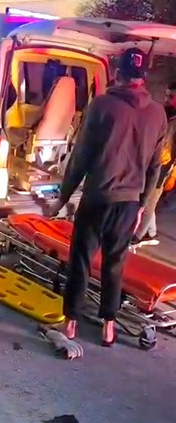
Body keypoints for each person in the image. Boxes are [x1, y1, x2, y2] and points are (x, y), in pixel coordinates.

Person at [49, 48, 167, 346]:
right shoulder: (158, 114)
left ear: (118, 73)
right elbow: (155, 168)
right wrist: (141, 207)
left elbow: (81, 156)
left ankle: (71, 323)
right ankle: (108, 327)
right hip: (129, 204)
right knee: (115, 263)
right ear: (143, 77)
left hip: (98, 198)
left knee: (81, 260)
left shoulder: (102, 105)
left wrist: (62, 197)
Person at [131, 81, 176, 246]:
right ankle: (151, 232)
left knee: (149, 203)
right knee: (149, 200)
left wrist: (169, 170)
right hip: (150, 162)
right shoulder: (163, 113)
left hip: (163, 167)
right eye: (166, 95)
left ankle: (138, 236)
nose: (167, 99)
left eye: (171, 97)